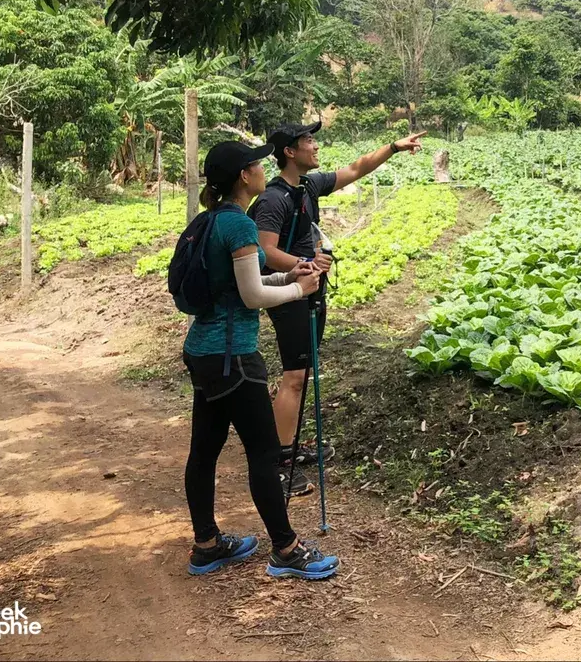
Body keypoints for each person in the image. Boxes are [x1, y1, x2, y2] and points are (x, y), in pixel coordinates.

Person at [182, 140, 340, 580]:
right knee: (265, 453)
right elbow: (252, 296)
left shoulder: (211, 219)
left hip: (203, 352)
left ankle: (206, 545)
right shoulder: (239, 225)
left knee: (204, 451)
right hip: (233, 358)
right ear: (243, 176)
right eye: (255, 163)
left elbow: (240, 283)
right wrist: (298, 290)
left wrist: (287, 274)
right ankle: (286, 549)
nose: (261, 168)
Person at [251, 122, 425, 497]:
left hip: (310, 287)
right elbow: (264, 251)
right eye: (308, 141)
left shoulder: (308, 186)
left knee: (303, 372)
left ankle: (290, 446)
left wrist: (393, 147)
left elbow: (356, 169)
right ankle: (279, 461)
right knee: (294, 376)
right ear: (289, 152)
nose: (315, 146)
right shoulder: (273, 199)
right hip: (290, 291)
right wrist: (305, 264)